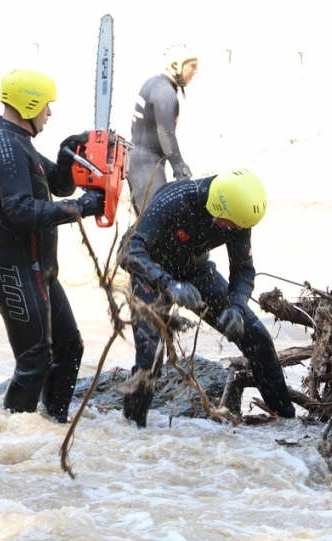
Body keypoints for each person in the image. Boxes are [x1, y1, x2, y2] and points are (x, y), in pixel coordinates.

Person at [117, 169, 296, 427]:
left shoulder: (238, 216)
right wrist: (168, 283)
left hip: (195, 271)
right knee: (150, 357)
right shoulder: (175, 200)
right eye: (233, 225)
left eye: (241, 227)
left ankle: (285, 419)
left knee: (256, 335)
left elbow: (243, 269)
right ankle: (134, 431)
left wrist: (236, 306)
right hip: (151, 273)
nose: (237, 230)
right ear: (217, 209)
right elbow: (128, 250)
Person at [0, 68, 106, 423]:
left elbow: (59, 187)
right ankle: (7, 446)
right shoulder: (4, 146)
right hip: (13, 271)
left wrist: (66, 160)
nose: (49, 112)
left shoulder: (19, 143)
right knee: (34, 360)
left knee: (69, 349)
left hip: (39, 271)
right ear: (29, 103)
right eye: (46, 105)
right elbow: (19, 211)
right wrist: (80, 208)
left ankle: (50, 429)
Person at [127, 44, 199, 213]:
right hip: (146, 165)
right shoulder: (165, 93)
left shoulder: (153, 83)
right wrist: (180, 166)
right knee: (157, 226)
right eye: (192, 65)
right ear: (176, 65)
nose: (196, 70)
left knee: (148, 227)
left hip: (139, 162)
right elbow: (165, 135)